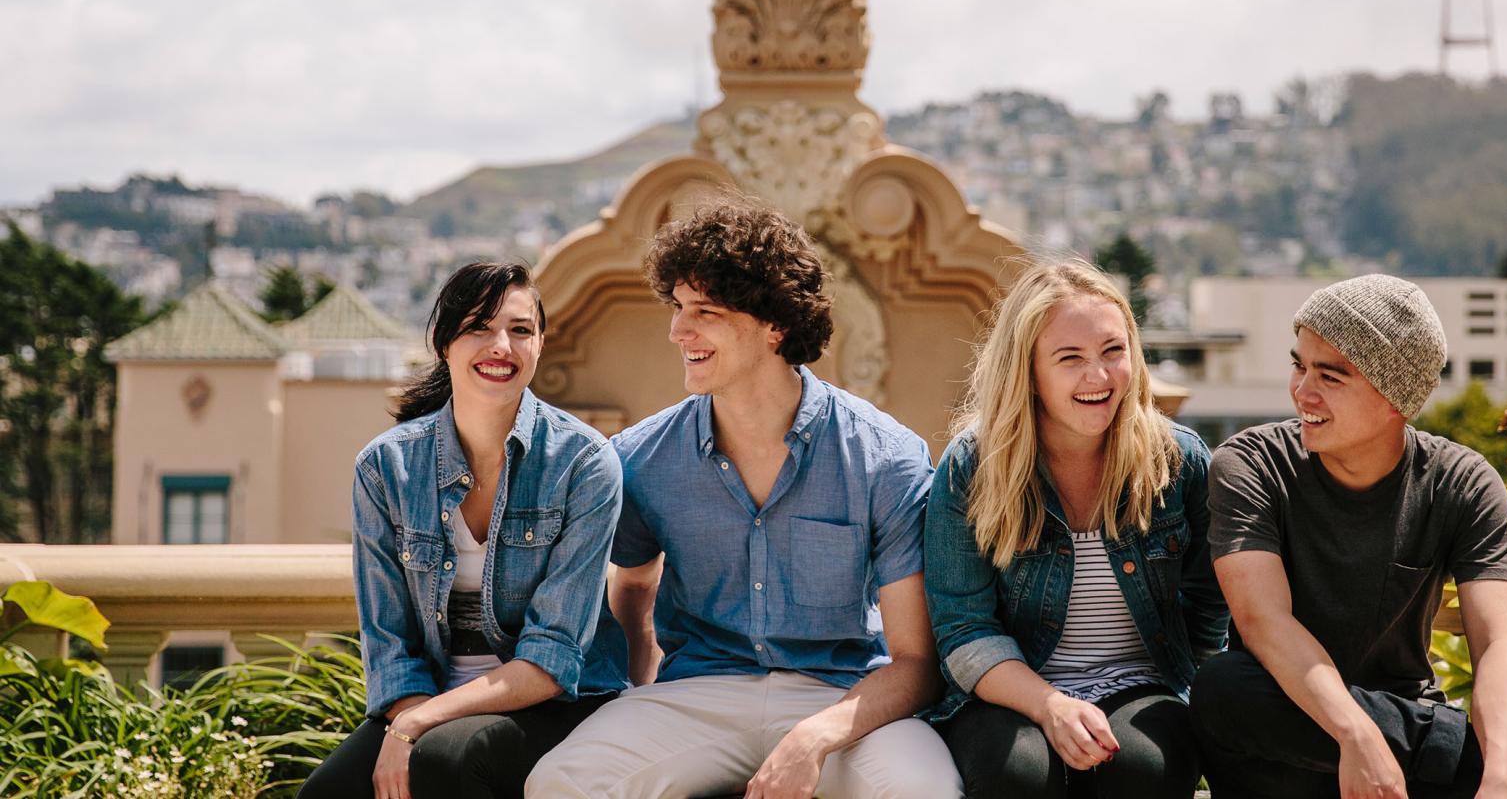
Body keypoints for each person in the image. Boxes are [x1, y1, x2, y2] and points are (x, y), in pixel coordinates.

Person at [527, 199, 960, 799]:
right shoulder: (642, 456)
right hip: (696, 693)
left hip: (843, 695)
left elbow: (914, 660)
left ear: (774, 323)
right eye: (678, 308)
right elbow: (631, 585)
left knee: (924, 792)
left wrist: (812, 738)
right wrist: (636, 696)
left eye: (705, 311)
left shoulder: (885, 457)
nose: (680, 330)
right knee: (561, 784)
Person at [1189, 274, 1507, 798]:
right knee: (1224, 687)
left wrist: (1502, 780)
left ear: (1395, 397)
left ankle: (1492, 761)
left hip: (1409, 749)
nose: (1301, 391)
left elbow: (1496, 645)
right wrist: (1357, 734)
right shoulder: (1251, 463)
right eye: (1298, 365)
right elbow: (1263, 622)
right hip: (1284, 735)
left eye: (1330, 377)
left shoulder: (1460, 483)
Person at [300, 262, 627, 799]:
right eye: (479, 326)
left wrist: (414, 726)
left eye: (520, 330)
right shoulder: (386, 468)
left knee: (448, 760)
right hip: (429, 700)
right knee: (327, 793)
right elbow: (390, 640)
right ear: (442, 341)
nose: (501, 345)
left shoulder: (585, 463)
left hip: (560, 703)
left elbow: (554, 657)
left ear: (540, 345)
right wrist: (409, 717)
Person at [923, 261, 1228, 799]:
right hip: (1010, 690)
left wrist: (1190, 699)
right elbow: (964, 630)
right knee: (1017, 772)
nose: (1099, 376)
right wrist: (1050, 705)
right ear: (1029, 372)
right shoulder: (974, 466)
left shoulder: (1177, 461)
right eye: (1070, 359)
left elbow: (1209, 608)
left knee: (1144, 769)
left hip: (1142, 683)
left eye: (1114, 351)